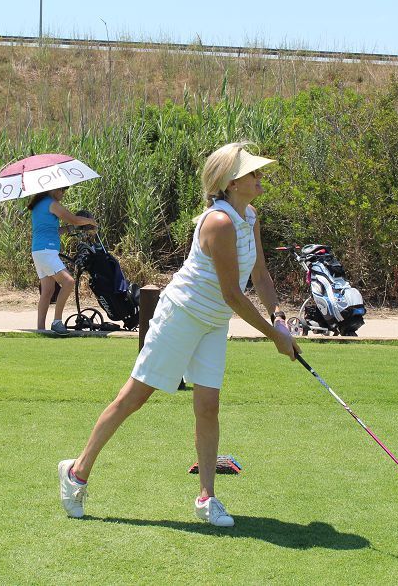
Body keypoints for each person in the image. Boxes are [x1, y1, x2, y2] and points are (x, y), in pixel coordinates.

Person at [57, 142, 299, 526]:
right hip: (181, 315)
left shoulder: (249, 217)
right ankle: (76, 472)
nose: (260, 177)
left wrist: (279, 316)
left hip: (214, 322)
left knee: (208, 406)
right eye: (253, 172)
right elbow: (233, 294)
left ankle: (207, 497)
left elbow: (261, 275)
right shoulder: (217, 222)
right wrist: (274, 337)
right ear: (232, 182)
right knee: (133, 397)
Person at [29, 187, 98, 334]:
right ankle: (57, 321)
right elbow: (73, 218)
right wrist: (91, 221)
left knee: (47, 290)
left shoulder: (39, 204)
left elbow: (53, 230)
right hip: (47, 251)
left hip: (39, 251)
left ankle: (41, 329)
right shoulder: (51, 204)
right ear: (54, 189)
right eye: (62, 190)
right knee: (69, 282)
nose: (63, 194)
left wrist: (70, 229)